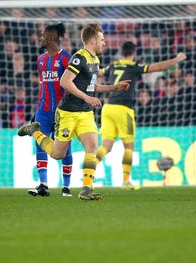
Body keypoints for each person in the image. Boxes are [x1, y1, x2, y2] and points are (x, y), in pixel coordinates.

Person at [17, 23, 130, 200]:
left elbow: (92, 87)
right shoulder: (79, 58)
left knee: (92, 146)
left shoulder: (95, 60)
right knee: (57, 154)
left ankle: (86, 188)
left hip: (85, 113)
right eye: (102, 39)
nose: (104, 43)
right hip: (68, 112)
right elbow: (65, 81)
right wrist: (86, 97)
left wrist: (114, 87)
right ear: (93, 41)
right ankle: (35, 131)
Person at [96, 42, 186, 188]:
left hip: (108, 108)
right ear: (134, 54)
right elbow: (158, 67)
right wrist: (176, 59)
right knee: (129, 147)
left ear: (121, 52)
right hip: (123, 109)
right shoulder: (134, 67)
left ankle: (88, 172)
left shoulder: (113, 65)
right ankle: (125, 181)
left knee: (105, 146)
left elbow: (98, 72)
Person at [21, 23, 74, 197]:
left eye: (43, 35)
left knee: (65, 148)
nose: (40, 38)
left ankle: (66, 186)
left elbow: (72, 85)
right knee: (40, 143)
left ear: (51, 37)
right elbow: (43, 86)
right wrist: (36, 111)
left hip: (62, 111)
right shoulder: (41, 59)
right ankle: (43, 184)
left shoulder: (66, 58)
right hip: (43, 110)